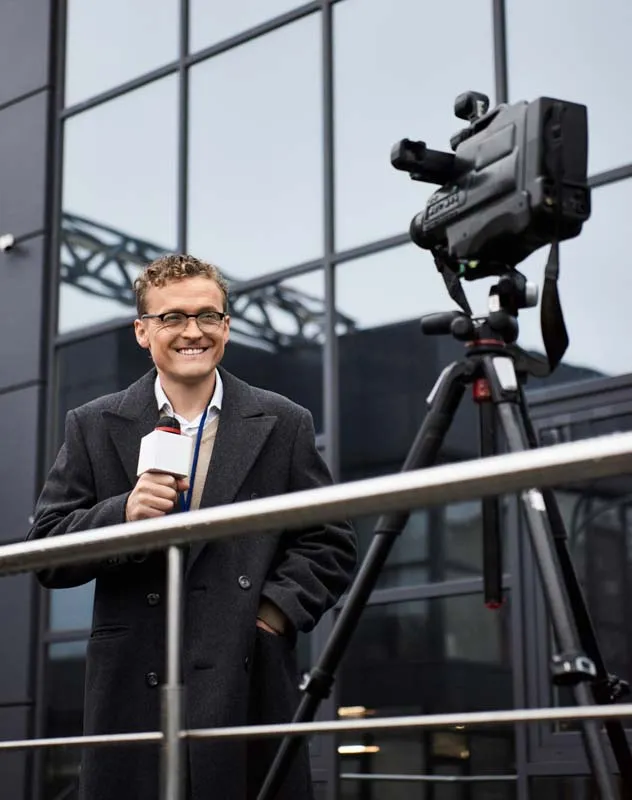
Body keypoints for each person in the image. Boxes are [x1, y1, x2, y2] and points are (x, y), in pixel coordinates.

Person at [27, 254, 357, 800]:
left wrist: (272, 612)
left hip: (242, 673)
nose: (192, 332)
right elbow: (45, 549)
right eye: (172, 318)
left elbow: (330, 539)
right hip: (133, 678)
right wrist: (122, 514)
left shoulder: (283, 420)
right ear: (142, 330)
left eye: (209, 316)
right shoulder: (91, 423)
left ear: (226, 326)